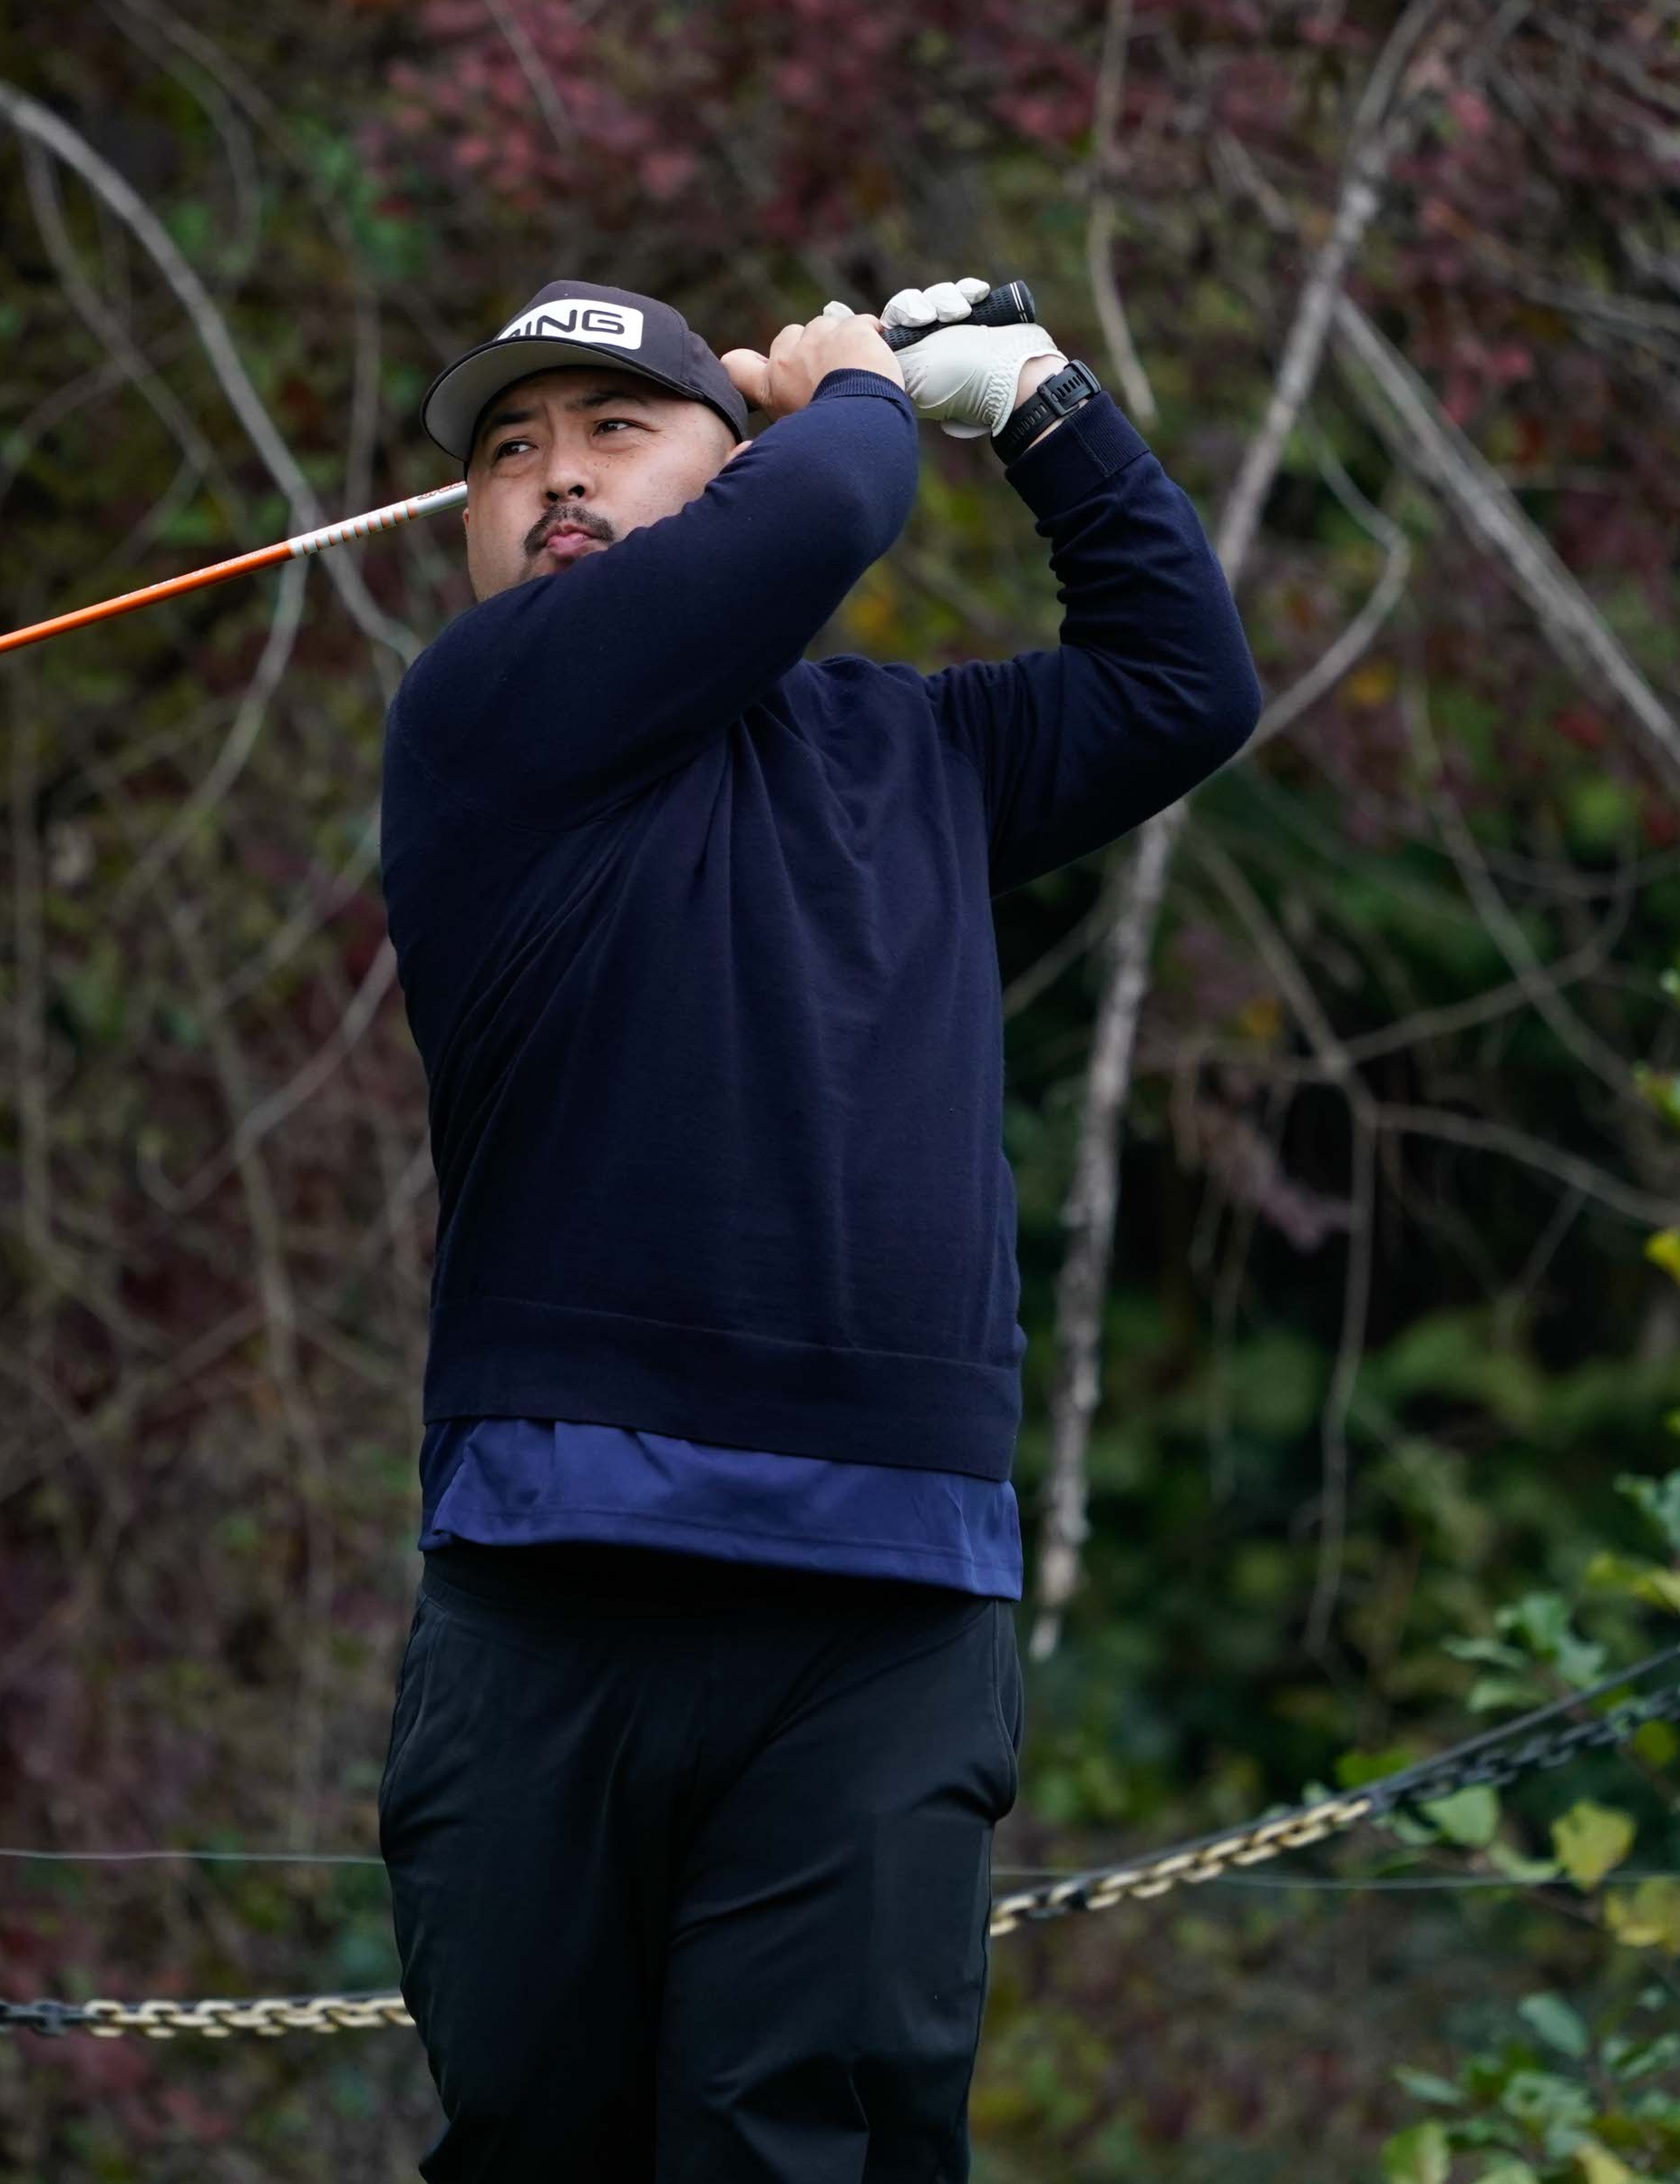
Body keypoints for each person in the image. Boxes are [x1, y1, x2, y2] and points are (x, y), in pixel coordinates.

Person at [377, 273, 1262, 2182]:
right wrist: (860, 392)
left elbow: (1182, 680)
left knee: (805, 2155)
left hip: (878, 1604)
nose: (555, 477)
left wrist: (1038, 403)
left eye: (616, 430)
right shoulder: (484, 716)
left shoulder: (918, 751)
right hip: (554, 1583)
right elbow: (838, 501)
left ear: (728, 465)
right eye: (510, 451)